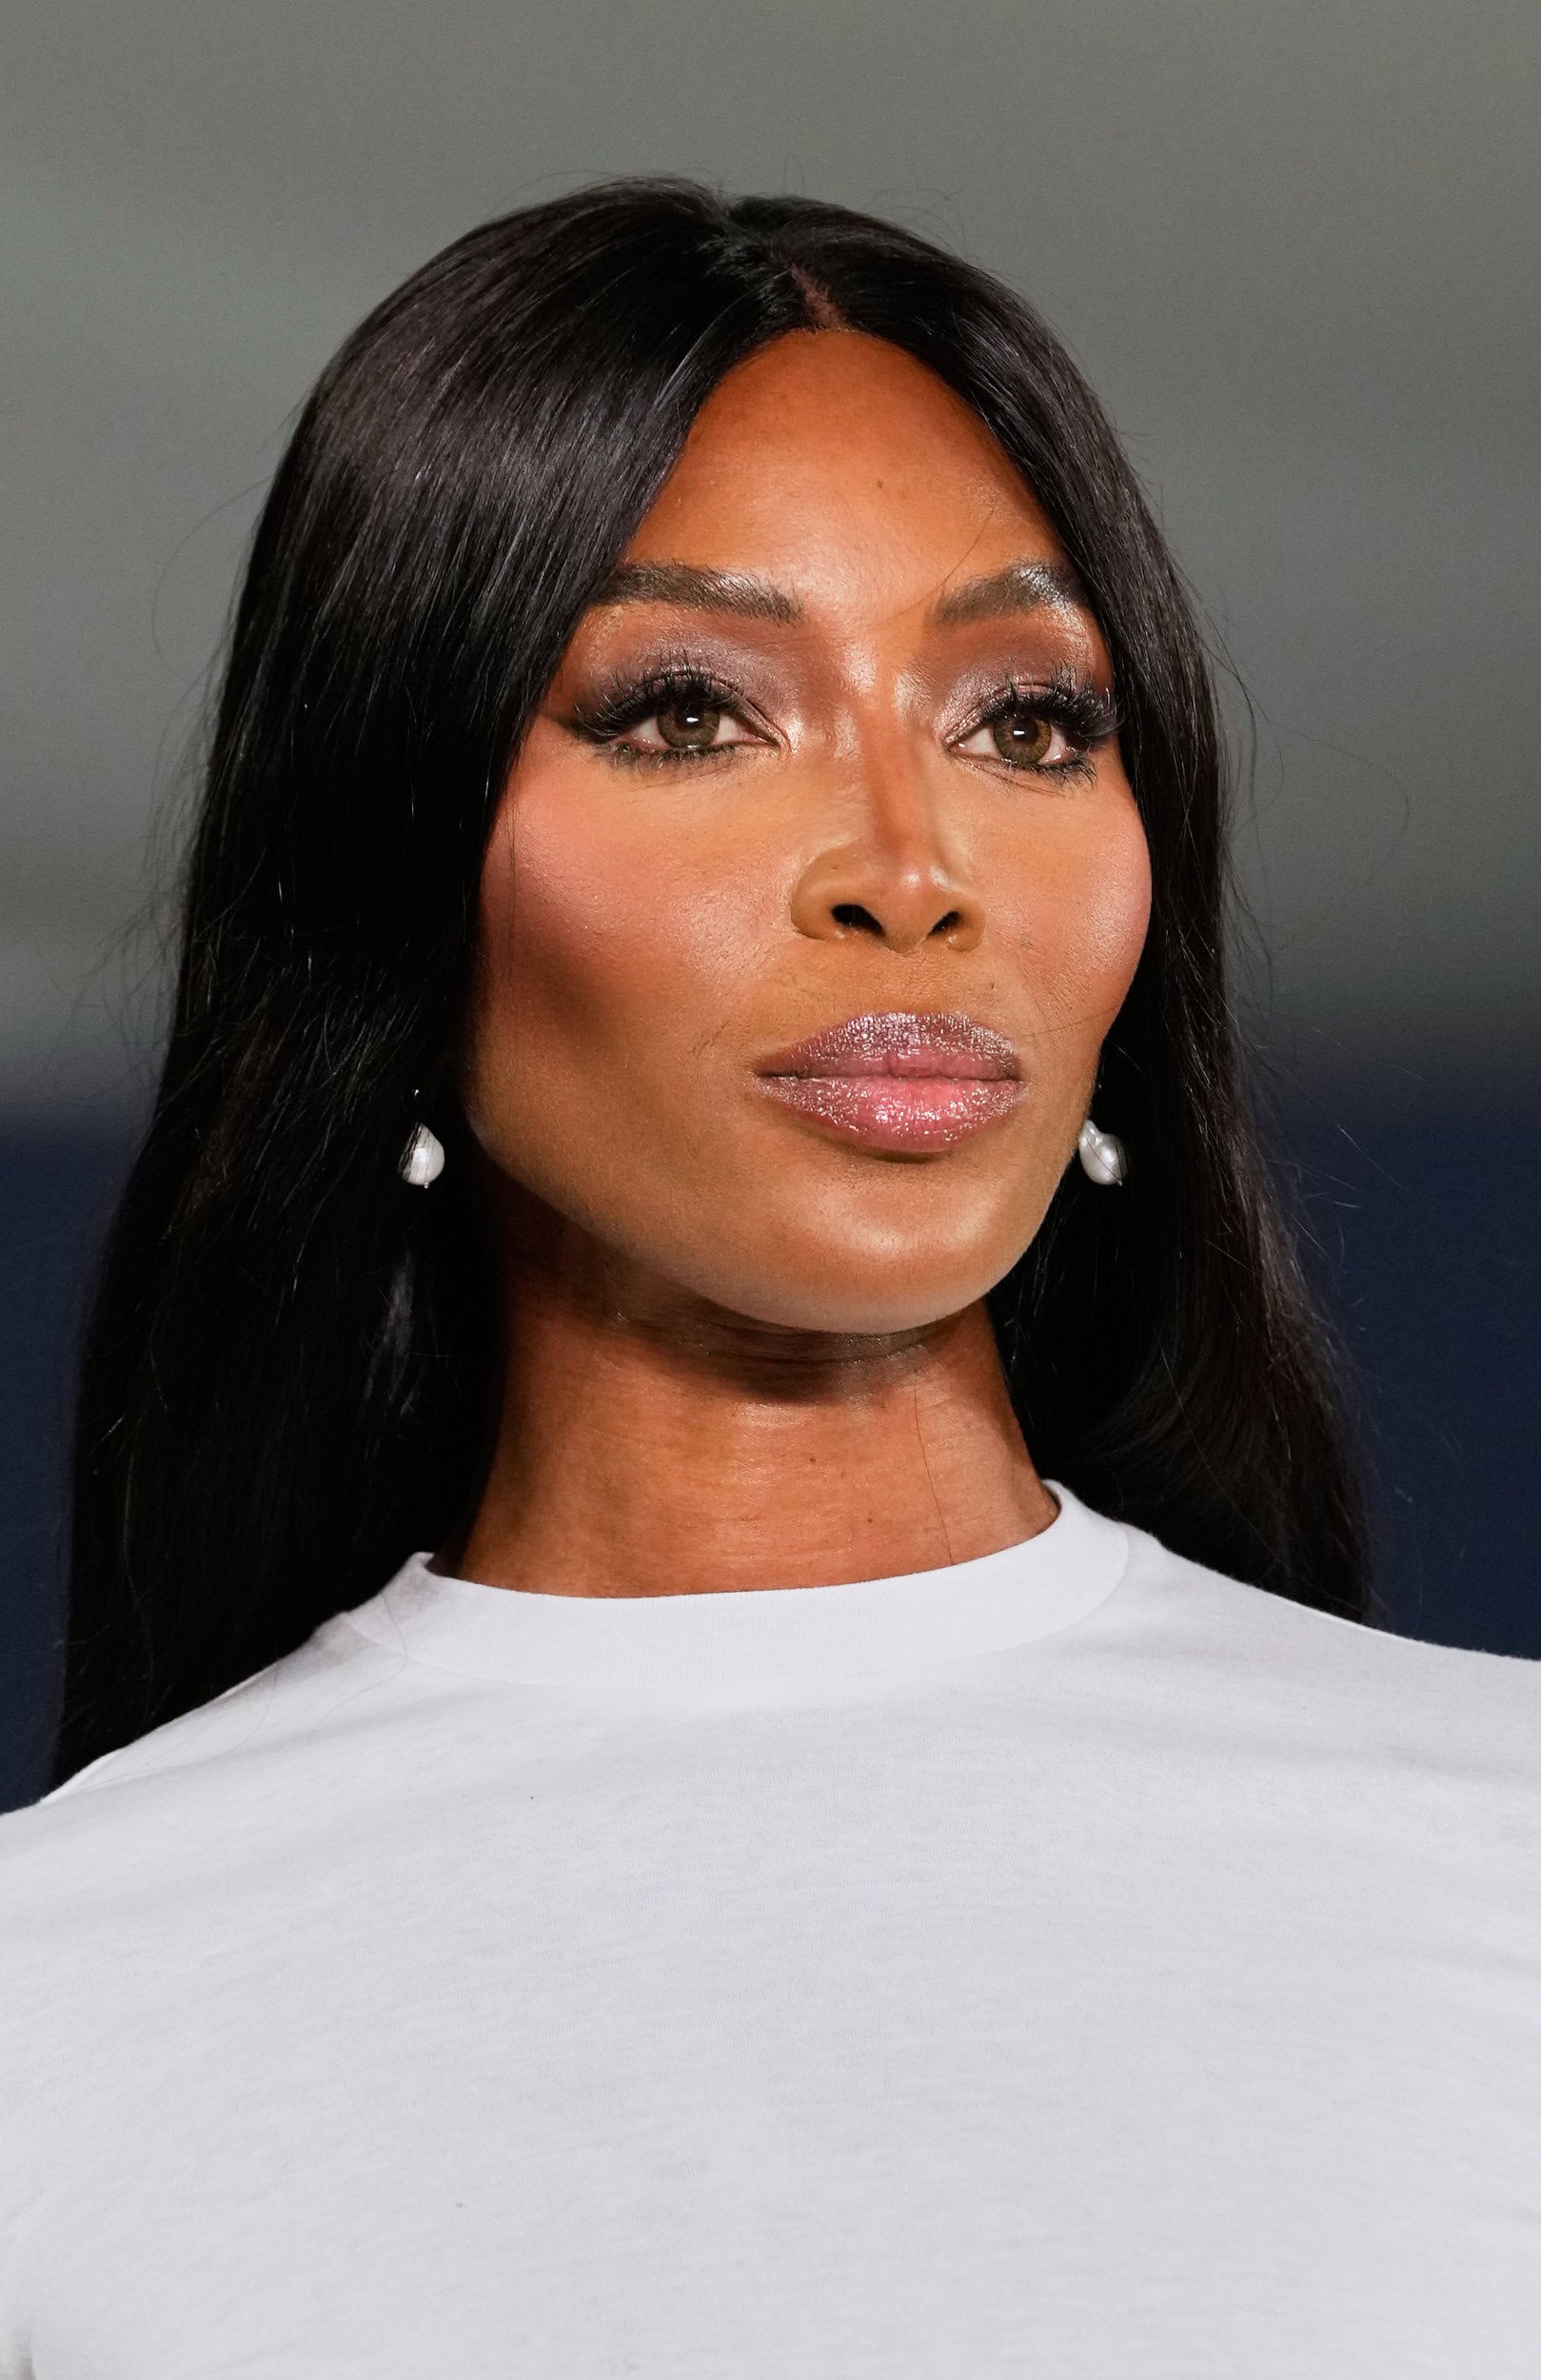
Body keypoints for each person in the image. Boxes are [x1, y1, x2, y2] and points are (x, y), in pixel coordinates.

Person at [0, 180, 1534, 2377]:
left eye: (1027, 721)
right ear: (388, 877)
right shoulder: (60, 1997)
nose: (911, 870)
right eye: (687, 712)